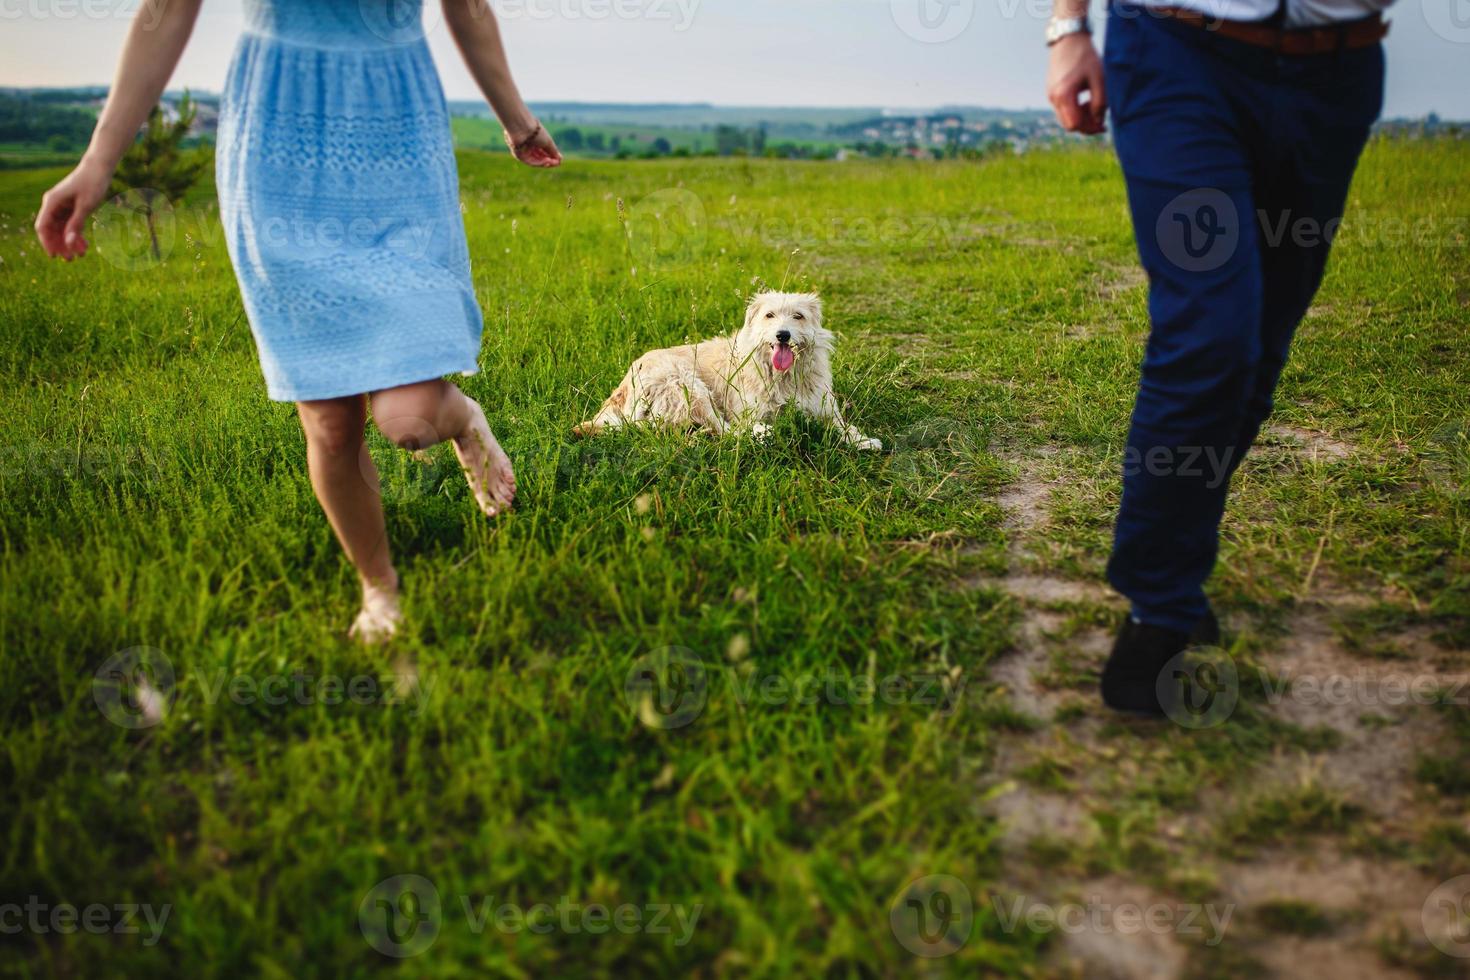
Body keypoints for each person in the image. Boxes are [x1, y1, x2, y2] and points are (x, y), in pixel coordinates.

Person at [34, 0, 562, 643]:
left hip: (396, 135)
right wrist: (98, 160)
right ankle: (379, 587)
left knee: (408, 416)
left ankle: (462, 418)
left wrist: (516, 119)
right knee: (332, 422)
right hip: (278, 145)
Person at [1043, 0, 1389, 713]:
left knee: (1260, 346)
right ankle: (1159, 613)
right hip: (1177, 48)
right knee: (1210, 332)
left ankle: (1170, 562)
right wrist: (1069, 27)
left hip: (1338, 69)